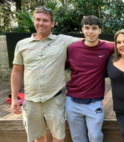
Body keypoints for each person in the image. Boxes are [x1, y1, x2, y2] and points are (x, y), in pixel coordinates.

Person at [10, 6, 79, 142]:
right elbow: (17, 71)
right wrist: (14, 98)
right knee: (38, 136)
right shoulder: (22, 44)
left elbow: (90, 42)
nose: (41, 23)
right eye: (38, 19)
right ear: (34, 21)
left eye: (45, 20)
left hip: (54, 99)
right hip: (30, 100)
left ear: (52, 24)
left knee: (58, 137)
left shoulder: (62, 40)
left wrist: (123, 44)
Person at [65, 15, 114, 142]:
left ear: (100, 30)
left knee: (95, 137)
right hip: (72, 101)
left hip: (94, 102)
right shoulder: (72, 48)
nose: (90, 32)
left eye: (94, 28)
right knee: (77, 138)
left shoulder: (107, 48)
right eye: (87, 28)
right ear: (82, 29)